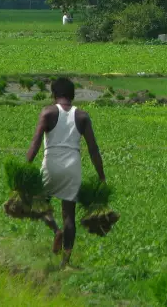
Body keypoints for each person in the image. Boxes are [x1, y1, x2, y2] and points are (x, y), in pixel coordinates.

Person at [26, 77, 106, 269]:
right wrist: (101, 176)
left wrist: (25, 167)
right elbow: (93, 150)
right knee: (69, 215)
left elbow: (35, 143)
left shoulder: (48, 113)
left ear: (54, 94)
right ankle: (65, 261)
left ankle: (55, 230)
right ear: (72, 96)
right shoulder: (82, 116)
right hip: (73, 167)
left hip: (51, 163)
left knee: (38, 203)